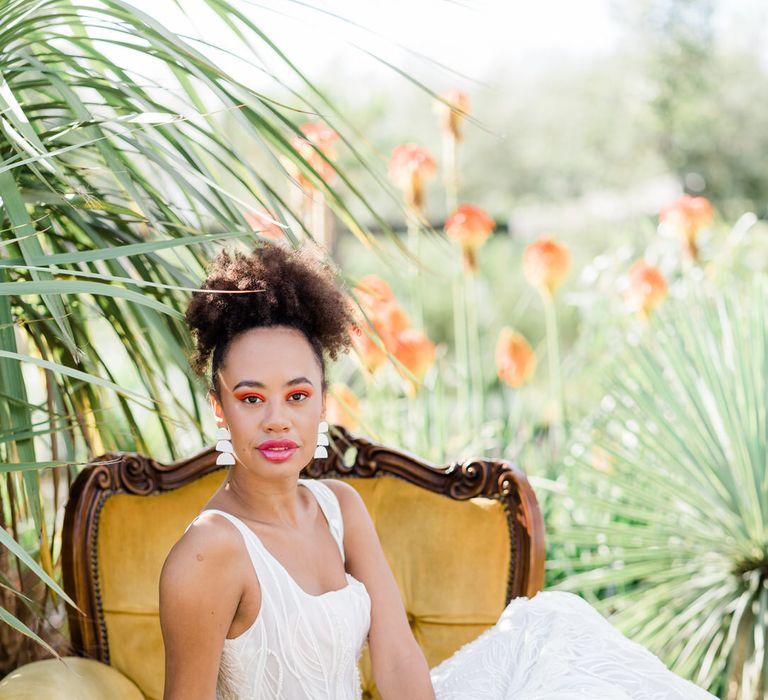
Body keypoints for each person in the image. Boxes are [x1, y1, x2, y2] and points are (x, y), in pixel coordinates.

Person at [159, 243, 717, 700]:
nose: (278, 421)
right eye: (252, 399)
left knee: (553, 630)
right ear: (220, 408)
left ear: (323, 401)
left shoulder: (339, 509)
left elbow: (398, 656)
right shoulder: (208, 553)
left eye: (297, 395)